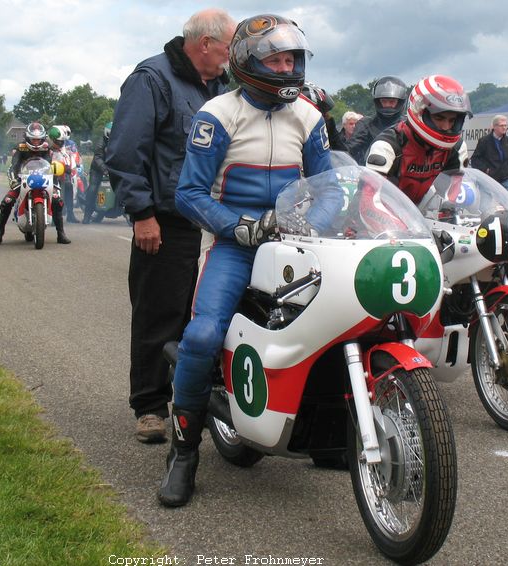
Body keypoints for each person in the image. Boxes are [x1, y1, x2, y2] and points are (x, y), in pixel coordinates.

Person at [158, 13, 336, 508]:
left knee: (337, 324)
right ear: (246, 63)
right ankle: (184, 454)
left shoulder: (309, 116)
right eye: (275, 59)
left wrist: (314, 224)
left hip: (299, 246)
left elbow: (331, 190)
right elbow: (188, 194)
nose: (286, 67)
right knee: (202, 335)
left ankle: (329, 433)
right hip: (236, 246)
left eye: (292, 59)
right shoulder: (218, 113)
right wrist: (237, 226)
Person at [106, 8, 236, 445]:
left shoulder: (219, 86)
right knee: (159, 312)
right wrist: (142, 214)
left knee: (196, 314)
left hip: (213, 218)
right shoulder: (152, 79)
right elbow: (125, 152)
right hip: (164, 219)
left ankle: (194, 398)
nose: (233, 54)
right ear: (204, 44)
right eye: (229, 45)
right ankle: (148, 406)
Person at [365, 75, 471, 206]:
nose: (446, 127)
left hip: (420, 218)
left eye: (452, 120)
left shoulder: (456, 147)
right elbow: (369, 201)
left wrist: (449, 215)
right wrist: (406, 225)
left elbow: (451, 198)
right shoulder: (388, 145)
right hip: (376, 219)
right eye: (439, 118)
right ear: (419, 111)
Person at [0, 121, 71, 245]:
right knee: (7, 201)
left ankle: (60, 233)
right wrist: (14, 180)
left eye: (38, 140)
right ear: (28, 138)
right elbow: (14, 166)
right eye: (33, 139)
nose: (36, 142)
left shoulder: (46, 148)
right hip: (23, 178)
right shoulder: (21, 148)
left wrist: (55, 181)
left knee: (57, 200)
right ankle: (0, 230)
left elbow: (49, 167)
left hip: (42, 178)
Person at [350, 75, 409, 164]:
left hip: (402, 174)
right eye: (384, 101)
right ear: (378, 101)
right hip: (372, 173)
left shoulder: (408, 124)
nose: (388, 105)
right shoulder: (366, 124)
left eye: (392, 102)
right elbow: (349, 150)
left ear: (400, 102)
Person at [470, 114, 508, 191]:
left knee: (506, 203)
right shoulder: (484, 141)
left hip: (505, 180)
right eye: (501, 125)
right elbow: (475, 159)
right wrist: (486, 170)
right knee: (489, 202)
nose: (504, 128)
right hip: (490, 181)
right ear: (494, 126)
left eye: (505, 125)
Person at [84, 122, 112, 224]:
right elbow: (98, 158)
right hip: (97, 170)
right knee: (93, 188)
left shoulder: (119, 142)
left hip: (111, 168)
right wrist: (104, 169)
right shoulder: (101, 143)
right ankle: (87, 215)